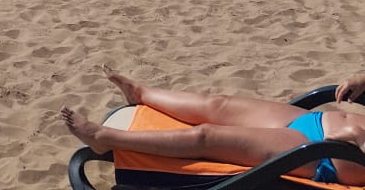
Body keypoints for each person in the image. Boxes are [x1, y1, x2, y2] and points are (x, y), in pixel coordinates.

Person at [61, 66, 365, 186]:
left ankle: (105, 138)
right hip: (316, 124)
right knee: (217, 104)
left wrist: (356, 136)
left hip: (324, 155)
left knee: (206, 136)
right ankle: (140, 94)